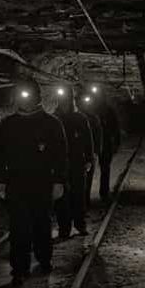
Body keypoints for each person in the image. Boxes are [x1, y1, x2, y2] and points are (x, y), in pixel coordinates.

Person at [0, 77, 68, 287]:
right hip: (16, 184)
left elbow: (61, 155)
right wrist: (0, 181)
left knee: (41, 223)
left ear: (37, 97)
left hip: (42, 182)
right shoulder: (9, 124)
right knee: (18, 228)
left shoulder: (51, 124)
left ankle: (44, 259)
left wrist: (59, 181)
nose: (24, 100)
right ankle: (19, 268)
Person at [53, 84, 95, 239]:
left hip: (77, 162)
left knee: (78, 195)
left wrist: (89, 158)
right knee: (61, 197)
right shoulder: (54, 119)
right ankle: (64, 228)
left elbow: (88, 140)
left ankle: (79, 224)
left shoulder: (80, 119)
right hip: (60, 164)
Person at [88, 84, 121, 204]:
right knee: (98, 169)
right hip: (96, 143)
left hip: (104, 143)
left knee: (104, 169)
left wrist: (116, 142)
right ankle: (98, 194)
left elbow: (115, 127)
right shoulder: (92, 109)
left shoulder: (104, 110)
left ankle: (103, 193)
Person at [80, 92, 103, 209]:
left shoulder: (93, 118)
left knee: (88, 179)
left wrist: (96, 152)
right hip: (80, 153)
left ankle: (86, 201)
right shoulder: (77, 118)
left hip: (89, 152)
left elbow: (98, 136)